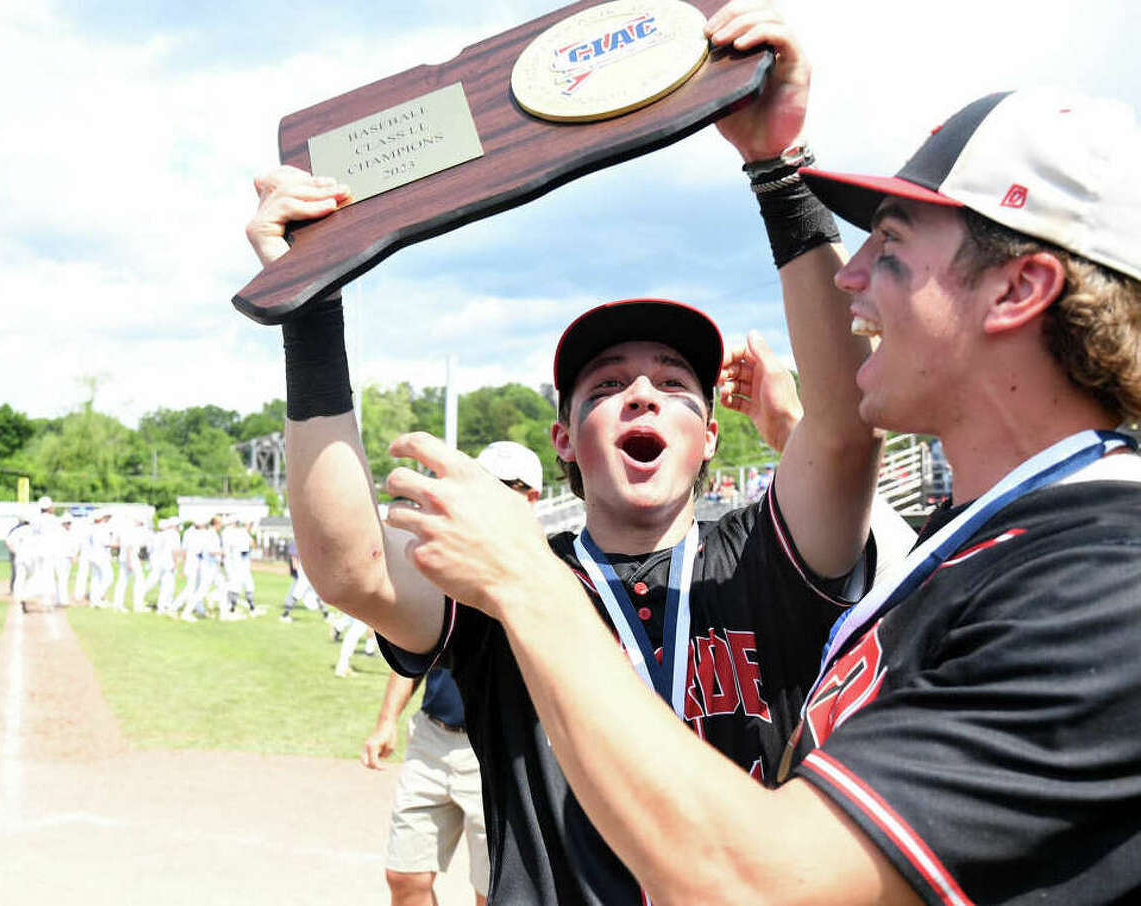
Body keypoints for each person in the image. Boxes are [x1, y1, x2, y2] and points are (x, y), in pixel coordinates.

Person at [380, 35, 1141, 906]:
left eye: (889, 249)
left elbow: (758, 886)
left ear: (1018, 290)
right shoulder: (1004, 543)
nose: (851, 275)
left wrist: (524, 577)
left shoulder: (1105, 583)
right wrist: (773, 162)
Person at [243, 5, 882, 899]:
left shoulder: (764, 559)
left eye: (672, 382)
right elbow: (349, 568)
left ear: (707, 439)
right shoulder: (508, 577)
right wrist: (310, 306)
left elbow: (847, 432)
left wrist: (776, 166)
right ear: (565, 444)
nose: (643, 393)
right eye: (608, 385)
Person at [361, 443, 544, 906]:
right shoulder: (449, 564)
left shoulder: (547, 573)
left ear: (532, 498)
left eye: (507, 488)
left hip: (499, 748)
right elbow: (416, 651)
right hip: (432, 738)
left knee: (493, 891)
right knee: (404, 878)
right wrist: (386, 721)